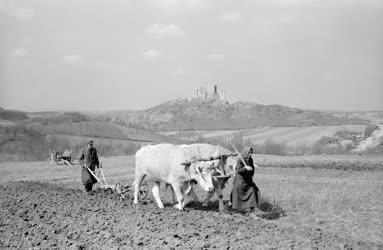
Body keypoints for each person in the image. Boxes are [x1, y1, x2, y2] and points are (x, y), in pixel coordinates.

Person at [230, 147, 262, 216]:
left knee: (253, 190)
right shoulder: (240, 160)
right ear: (245, 153)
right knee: (238, 192)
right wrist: (245, 168)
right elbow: (239, 170)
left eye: (251, 153)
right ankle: (239, 209)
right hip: (240, 181)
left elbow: (252, 170)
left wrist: (251, 170)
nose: (250, 154)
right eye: (248, 153)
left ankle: (252, 209)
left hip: (248, 181)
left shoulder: (250, 160)